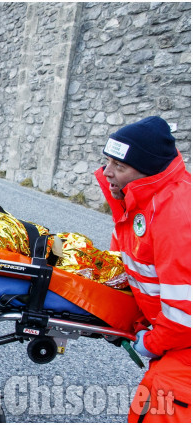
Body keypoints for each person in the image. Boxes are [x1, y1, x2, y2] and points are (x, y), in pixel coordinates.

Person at [95, 116, 190, 423]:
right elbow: (130, 272)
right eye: (107, 161)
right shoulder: (138, 205)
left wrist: (149, 343)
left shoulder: (176, 215)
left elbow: (185, 313)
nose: (107, 172)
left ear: (146, 171)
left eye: (118, 166)